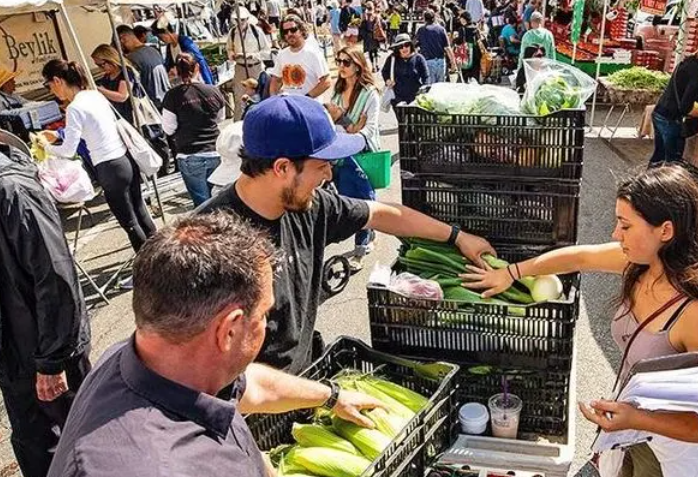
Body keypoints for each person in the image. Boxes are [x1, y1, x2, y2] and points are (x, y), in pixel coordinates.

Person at [46, 212, 384, 477]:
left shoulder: (154, 353)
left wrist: (333, 397)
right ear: (229, 329)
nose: (266, 324)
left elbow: (249, 387)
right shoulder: (152, 469)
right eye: (264, 313)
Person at [462, 165, 698, 477]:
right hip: (631, 433)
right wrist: (511, 273)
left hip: (672, 453)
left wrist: (636, 418)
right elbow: (580, 257)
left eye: (625, 226)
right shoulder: (641, 264)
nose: (615, 234)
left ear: (665, 231)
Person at [196, 95, 495, 372]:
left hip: (304, 374)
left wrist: (457, 236)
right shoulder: (208, 242)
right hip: (255, 401)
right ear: (283, 168)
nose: (329, 176)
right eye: (323, 166)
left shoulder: (310, 205)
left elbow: (381, 214)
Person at [0, 126, 91, 477]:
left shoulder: (8, 188)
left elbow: (55, 277)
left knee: (80, 436)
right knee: (32, 439)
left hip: (42, 334)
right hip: (1, 328)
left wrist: (52, 361)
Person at [38, 60, 156, 252]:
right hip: (126, 160)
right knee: (141, 212)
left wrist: (46, 147)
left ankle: (149, 271)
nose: (52, 91)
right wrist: (60, 134)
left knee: (130, 223)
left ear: (57, 81)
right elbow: (96, 128)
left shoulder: (74, 108)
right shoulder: (94, 96)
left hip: (109, 167)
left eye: (49, 85)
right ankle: (163, 260)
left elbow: (68, 151)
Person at [327, 47, 381, 271]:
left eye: (346, 62)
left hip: (361, 155)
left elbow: (368, 129)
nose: (341, 66)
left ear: (358, 66)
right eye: (338, 61)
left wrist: (345, 121)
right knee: (346, 200)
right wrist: (350, 126)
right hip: (340, 156)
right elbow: (333, 125)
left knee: (361, 202)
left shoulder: (370, 94)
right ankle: (370, 232)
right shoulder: (337, 91)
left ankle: (360, 250)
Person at [161, 53, 226, 207]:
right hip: (214, 149)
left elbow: (168, 129)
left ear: (177, 71)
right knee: (219, 200)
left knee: (202, 205)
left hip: (189, 154)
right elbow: (220, 118)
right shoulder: (213, 90)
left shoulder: (172, 96)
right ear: (197, 67)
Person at [228, 6, 273, 121]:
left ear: (247, 19)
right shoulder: (232, 32)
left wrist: (252, 55)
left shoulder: (256, 31)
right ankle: (238, 124)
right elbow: (229, 48)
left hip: (255, 67)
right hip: (240, 68)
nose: (240, 22)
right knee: (239, 99)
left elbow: (267, 52)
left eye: (242, 20)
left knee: (260, 96)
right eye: (237, 20)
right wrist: (232, 55)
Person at [269, 14, 331, 98]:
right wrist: (273, 98)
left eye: (293, 30)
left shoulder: (313, 53)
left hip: (309, 106)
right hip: (289, 105)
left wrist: (306, 98)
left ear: (301, 30)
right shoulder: (281, 55)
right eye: (285, 31)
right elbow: (276, 80)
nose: (289, 33)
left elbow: (326, 81)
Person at [116, 25, 171, 105]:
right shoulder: (153, 50)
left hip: (152, 104)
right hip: (166, 98)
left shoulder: (132, 58)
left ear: (123, 38)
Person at [152, 18, 215, 85]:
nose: (161, 40)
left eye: (161, 37)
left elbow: (200, 61)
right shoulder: (169, 48)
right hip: (184, 82)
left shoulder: (185, 41)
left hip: (197, 81)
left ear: (167, 32)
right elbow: (168, 65)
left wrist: (209, 83)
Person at [90, 44, 137, 121]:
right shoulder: (107, 76)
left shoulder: (126, 73)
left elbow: (122, 96)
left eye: (101, 64)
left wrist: (99, 89)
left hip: (129, 117)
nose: (100, 68)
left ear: (111, 60)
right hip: (115, 116)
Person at [382, 33, 429, 106]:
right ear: (397, 48)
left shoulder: (419, 58)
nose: (404, 48)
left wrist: (424, 90)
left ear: (411, 46)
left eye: (406, 45)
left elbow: (426, 77)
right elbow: (384, 71)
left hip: (415, 98)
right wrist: (387, 80)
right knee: (400, 117)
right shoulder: (392, 58)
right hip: (397, 98)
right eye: (401, 46)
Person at [416, 10, 456, 85]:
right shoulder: (441, 29)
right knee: (440, 88)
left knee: (430, 88)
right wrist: (453, 63)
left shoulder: (421, 30)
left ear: (424, 19)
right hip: (441, 61)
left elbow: (414, 46)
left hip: (428, 61)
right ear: (434, 18)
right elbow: (447, 47)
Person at [452, 10, 484, 83]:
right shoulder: (476, 27)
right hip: (476, 53)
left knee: (465, 74)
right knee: (475, 74)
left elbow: (460, 40)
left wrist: (454, 40)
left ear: (464, 19)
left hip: (466, 53)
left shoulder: (462, 29)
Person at [358, 3, 384, 71]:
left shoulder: (364, 17)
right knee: (375, 51)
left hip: (367, 37)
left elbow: (361, 28)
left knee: (370, 52)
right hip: (374, 36)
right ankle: (376, 64)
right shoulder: (376, 16)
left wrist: (361, 36)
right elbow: (381, 25)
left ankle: (372, 66)